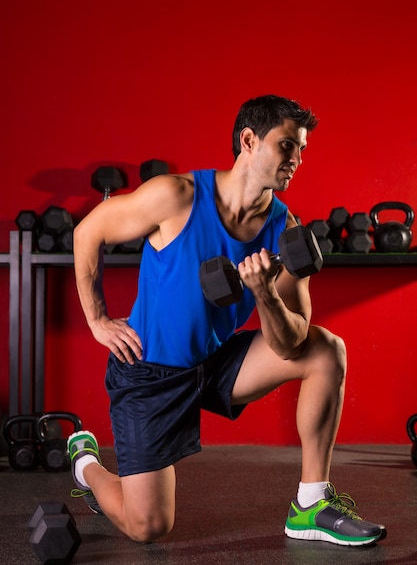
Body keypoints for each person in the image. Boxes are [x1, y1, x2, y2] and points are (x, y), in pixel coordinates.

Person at [68, 94, 386, 546]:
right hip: (149, 370)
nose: (296, 159)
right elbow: (88, 231)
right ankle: (86, 466)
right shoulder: (175, 196)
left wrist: (264, 294)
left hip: (216, 363)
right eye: (286, 146)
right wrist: (97, 319)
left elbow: (291, 341)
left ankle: (311, 504)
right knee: (148, 527)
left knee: (325, 349)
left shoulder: (285, 227)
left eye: (302, 149)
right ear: (249, 140)